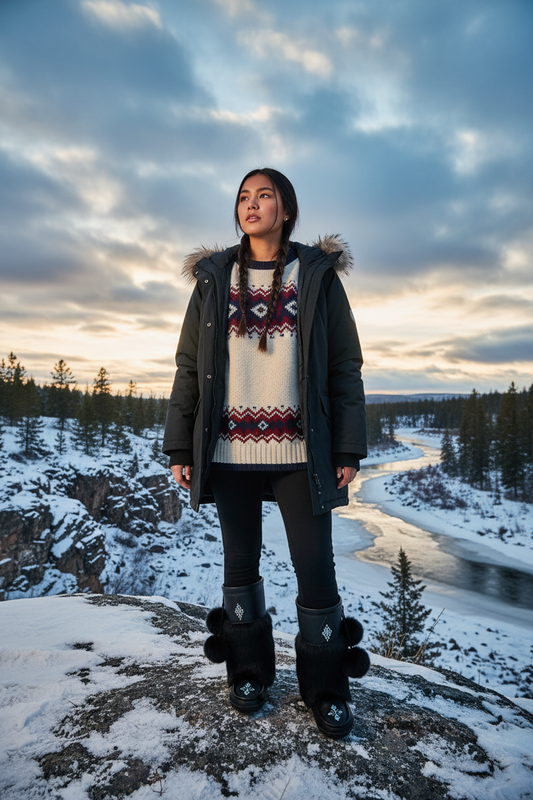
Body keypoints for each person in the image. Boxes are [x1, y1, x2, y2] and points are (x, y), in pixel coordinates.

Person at [163, 167, 370, 739]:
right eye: (244, 197)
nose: (252, 205)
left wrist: (348, 445)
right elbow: (188, 368)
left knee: (316, 571)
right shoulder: (212, 279)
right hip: (227, 449)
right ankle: (249, 672)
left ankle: (326, 688)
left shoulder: (318, 276)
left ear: (286, 209)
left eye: (265, 196)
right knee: (239, 565)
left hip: (302, 453)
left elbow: (343, 367)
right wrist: (181, 442)